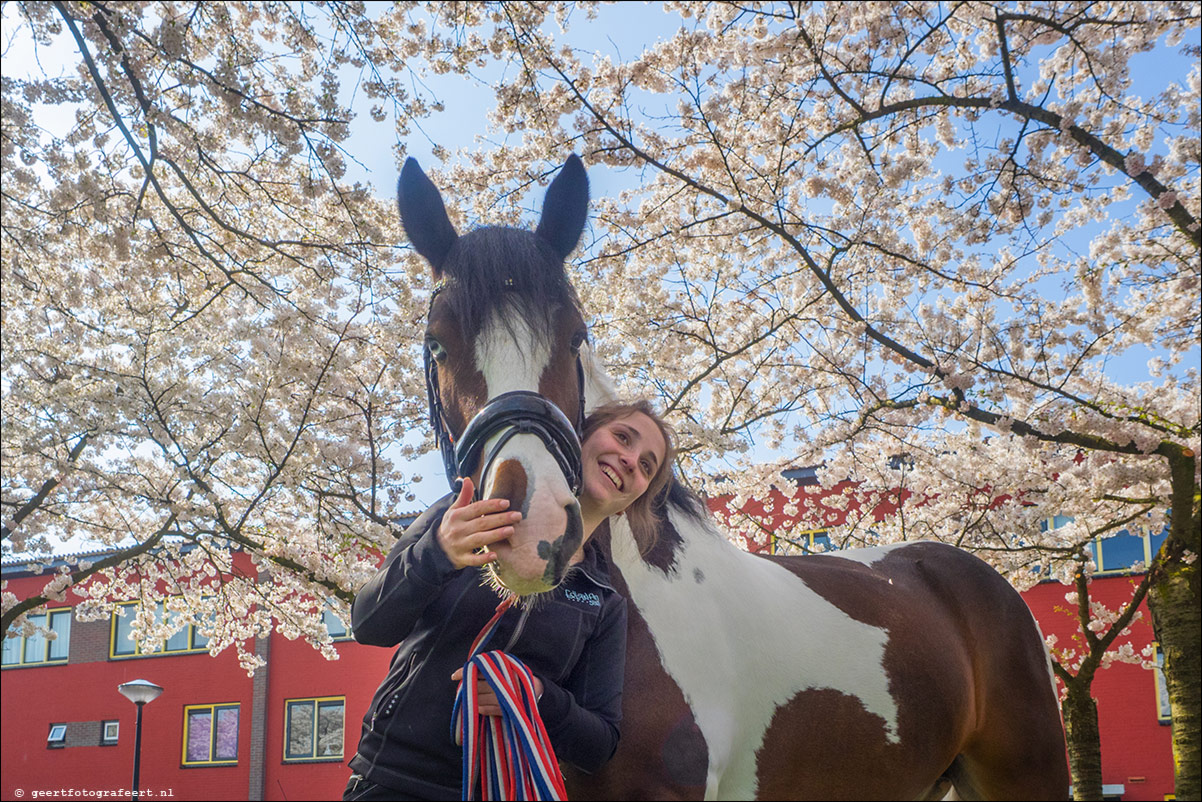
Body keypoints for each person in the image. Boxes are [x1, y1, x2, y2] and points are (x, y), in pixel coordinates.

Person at [344, 400, 675, 801]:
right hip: (393, 781)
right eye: (623, 438)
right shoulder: (462, 515)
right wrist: (437, 551)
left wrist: (534, 694)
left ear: (638, 497)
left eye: (646, 466)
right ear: (579, 436)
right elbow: (368, 624)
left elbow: (599, 745)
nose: (629, 460)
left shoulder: (603, 600)